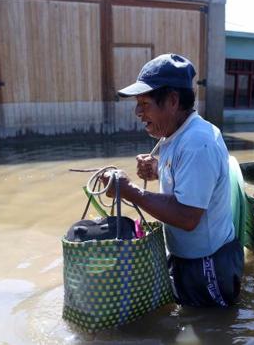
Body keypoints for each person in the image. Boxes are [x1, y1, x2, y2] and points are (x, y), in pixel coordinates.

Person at [101, 53, 243, 307]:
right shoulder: (174, 134)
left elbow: (188, 216)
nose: (138, 112)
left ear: (173, 101)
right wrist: (156, 170)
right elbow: (186, 181)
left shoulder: (198, 142)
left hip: (208, 263)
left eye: (144, 104)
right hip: (183, 254)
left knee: (214, 328)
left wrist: (130, 191)